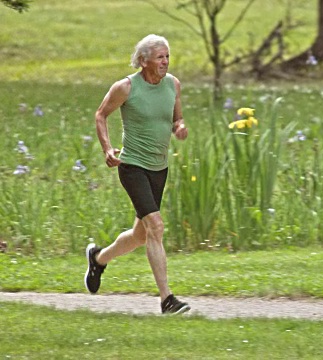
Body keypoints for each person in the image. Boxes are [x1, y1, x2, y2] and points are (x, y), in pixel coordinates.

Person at [85, 34, 190, 314]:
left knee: (140, 235)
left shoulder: (173, 85)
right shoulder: (126, 88)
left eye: (167, 56)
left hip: (159, 168)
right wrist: (107, 149)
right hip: (132, 167)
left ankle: (99, 258)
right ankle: (167, 299)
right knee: (156, 226)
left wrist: (179, 127)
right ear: (143, 61)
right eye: (159, 57)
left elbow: (176, 118)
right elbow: (100, 115)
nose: (165, 61)